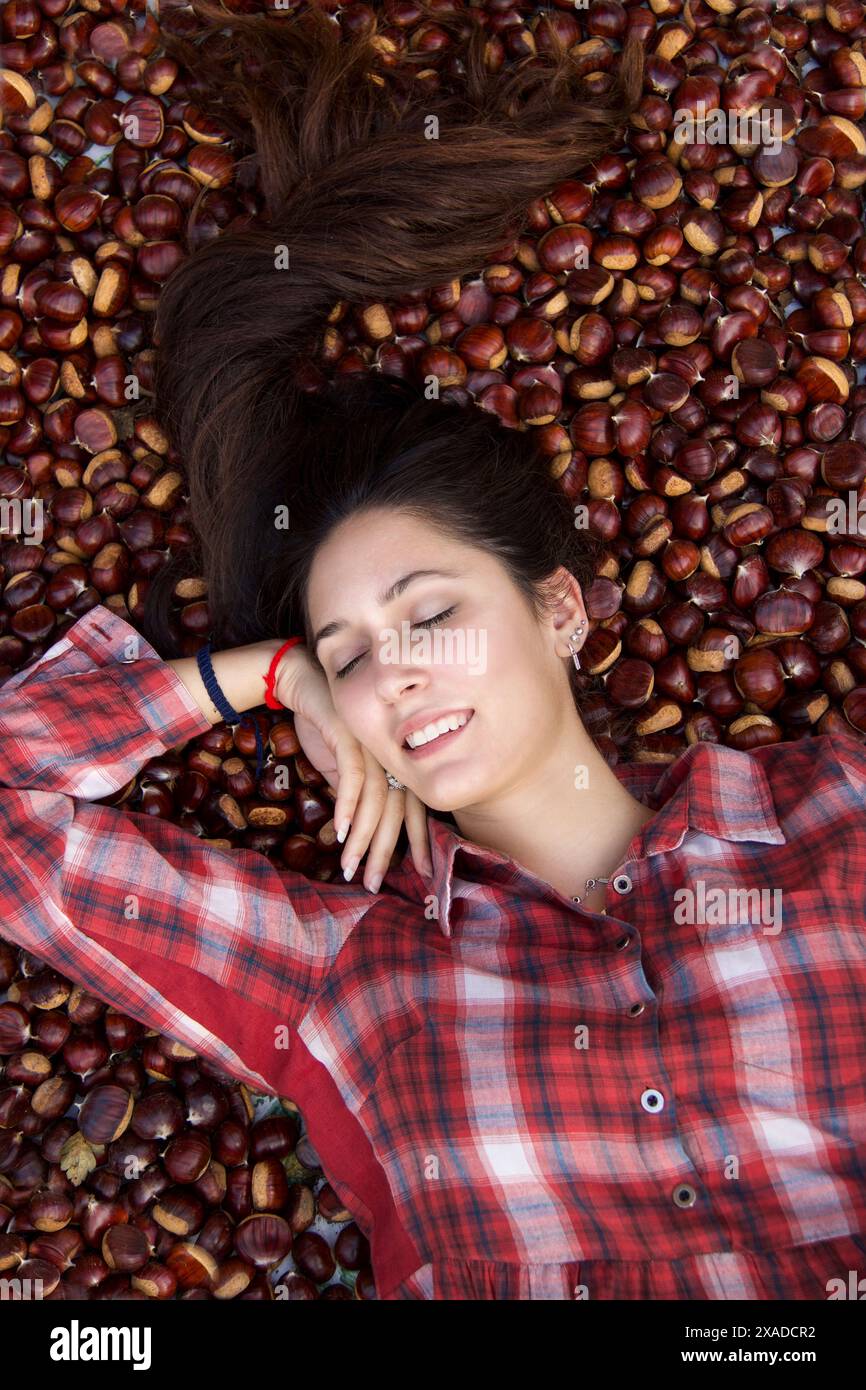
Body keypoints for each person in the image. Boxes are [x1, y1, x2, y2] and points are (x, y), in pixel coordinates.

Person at [1, 4, 864, 1302]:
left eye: (428, 611)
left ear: (561, 610)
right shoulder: (342, 973)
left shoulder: (837, 811)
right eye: (347, 649)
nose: (388, 674)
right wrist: (264, 674)